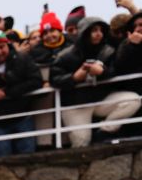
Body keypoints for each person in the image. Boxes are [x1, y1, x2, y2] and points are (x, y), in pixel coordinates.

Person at [52, 17, 142, 147]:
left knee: (133, 100)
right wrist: (74, 77)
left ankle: (104, 131)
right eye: (94, 30)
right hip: (76, 105)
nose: (98, 33)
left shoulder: (108, 51)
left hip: (100, 99)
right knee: (81, 142)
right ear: (84, 32)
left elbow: (116, 69)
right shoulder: (66, 55)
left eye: (101, 30)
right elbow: (54, 78)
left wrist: (102, 72)